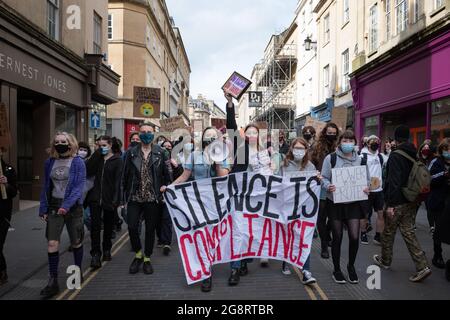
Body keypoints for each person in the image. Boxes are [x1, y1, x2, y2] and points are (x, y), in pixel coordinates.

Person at [164, 127, 230, 292]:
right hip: (198, 202)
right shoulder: (194, 155)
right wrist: (169, 187)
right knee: (201, 236)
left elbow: (223, 177)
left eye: (214, 136)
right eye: (208, 135)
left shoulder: (222, 155)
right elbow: (184, 176)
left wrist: (217, 159)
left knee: (212, 236)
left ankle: (209, 262)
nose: (210, 138)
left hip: (216, 202)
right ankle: (206, 272)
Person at [225, 91, 274, 285]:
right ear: (245, 135)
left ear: (259, 135)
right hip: (238, 195)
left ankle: (245, 261)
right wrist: (230, 104)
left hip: (257, 199)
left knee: (250, 231)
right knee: (238, 230)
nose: (252, 135)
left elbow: (270, 176)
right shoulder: (240, 147)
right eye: (249, 132)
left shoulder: (265, 153)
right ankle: (235, 268)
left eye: (255, 132)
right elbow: (230, 127)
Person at [373, 125, 431, 282]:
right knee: (409, 233)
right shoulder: (414, 153)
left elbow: (394, 182)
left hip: (397, 201)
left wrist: (390, 205)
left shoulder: (396, 155)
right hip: (411, 200)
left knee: (388, 232)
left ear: (396, 139)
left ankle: (385, 261)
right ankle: (422, 265)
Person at [120, 121, 172, 275]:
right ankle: (138, 254)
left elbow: (167, 175)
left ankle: (147, 257)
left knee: (150, 229)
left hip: (152, 198)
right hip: (135, 197)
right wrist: (123, 200)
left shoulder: (161, 152)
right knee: (131, 226)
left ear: (153, 133)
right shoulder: (130, 153)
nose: (146, 134)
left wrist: (165, 186)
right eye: (143, 132)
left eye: (149, 131)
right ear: (139, 134)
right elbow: (124, 176)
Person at [38, 132, 86, 298]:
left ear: (70, 143)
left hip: (73, 208)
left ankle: (77, 272)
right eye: (57, 142)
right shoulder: (49, 162)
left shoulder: (78, 162)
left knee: (76, 242)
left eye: (63, 141)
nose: (60, 144)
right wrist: (43, 208)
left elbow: (79, 187)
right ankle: (53, 281)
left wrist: (66, 206)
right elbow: (45, 186)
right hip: (54, 206)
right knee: (52, 243)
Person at [321, 130, 370, 284]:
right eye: (345, 140)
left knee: (354, 237)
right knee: (337, 236)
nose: (348, 143)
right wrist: (328, 186)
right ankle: (336, 269)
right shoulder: (331, 158)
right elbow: (323, 177)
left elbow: (367, 180)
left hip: (354, 203)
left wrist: (366, 188)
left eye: (350, 140)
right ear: (340, 142)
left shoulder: (361, 160)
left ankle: (351, 266)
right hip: (335, 203)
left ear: (355, 143)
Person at [278, 138, 319, 285]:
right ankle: (285, 261)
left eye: (302, 148)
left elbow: (314, 186)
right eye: (297, 148)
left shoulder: (310, 166)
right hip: (288, 207)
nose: (299, 151)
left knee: (304, 238)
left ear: (306, 150)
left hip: (305, 209)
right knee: (289, 236)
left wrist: (318, 180)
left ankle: (306, 271)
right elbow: (277, 185)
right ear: (291, 149)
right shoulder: (284, 165)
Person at [85, 136, 123, 269]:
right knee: (95, 228)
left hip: (109, 199)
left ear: (110, 144)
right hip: (95, 198)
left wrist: (117, 200)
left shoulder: (118, 160)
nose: (102, 148)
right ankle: (95, 254)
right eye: (99, 145)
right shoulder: (97, 159)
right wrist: (97, 153)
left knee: (108, 226)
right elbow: (88, 170)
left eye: (104, 145)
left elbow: (119, 182)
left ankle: (107, 249)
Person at [311, 123, 340, 259]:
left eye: (334, 133)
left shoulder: (339, 148)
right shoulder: (317, 148)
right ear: (324, 133)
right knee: (321, 218)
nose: (331, 135)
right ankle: (324, 245)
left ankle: (327, 235)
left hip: (336, 186)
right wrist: (315, 173)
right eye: (329, 132)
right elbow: (311, 164)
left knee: (333, 217)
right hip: (321, 185)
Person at [156, 140, 184, 256]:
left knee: (167, 218)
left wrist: (176, 166)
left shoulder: (175, 162)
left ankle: (167, 242)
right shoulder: (156, 160)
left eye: (169, 147)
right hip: (157, 193)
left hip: (170, 193)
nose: (167, 148)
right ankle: (161, 238)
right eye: (165, 147)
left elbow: (181, 177)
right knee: (157, 219)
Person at [359, 135, 387, 246]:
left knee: (381, 214)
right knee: (365, 214)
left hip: (379, 191)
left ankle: (378, 236)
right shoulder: (362, 156)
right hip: (366, 191)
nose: (375, 142)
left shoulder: (381, 157)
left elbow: (391, 158)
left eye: (377, 141)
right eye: (372, 141)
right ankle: (363, 233)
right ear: (367, 143)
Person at [428, 138, 450, 270]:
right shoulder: (436, 162)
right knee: (438, 230)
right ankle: (437, 255)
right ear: (441, 150)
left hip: (449, 201)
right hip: (437, 201)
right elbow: (428, 178)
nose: (448, 152)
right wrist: (444, 174)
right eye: (446, 149)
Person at [0, 147, 18, 286]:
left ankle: (2, 272)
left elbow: (13, 192)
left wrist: (6, 184)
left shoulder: (9, 170)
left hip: (3, 215)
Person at [77, 142, 94, 232]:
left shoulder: (89, 163)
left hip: (87, 197)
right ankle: (77, 241)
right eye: (80, 150)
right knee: (79, 220)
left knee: (86, 217)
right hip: (76, 198)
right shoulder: (72, 162)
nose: (82, 152)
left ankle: (94, 230)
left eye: (85, 150)